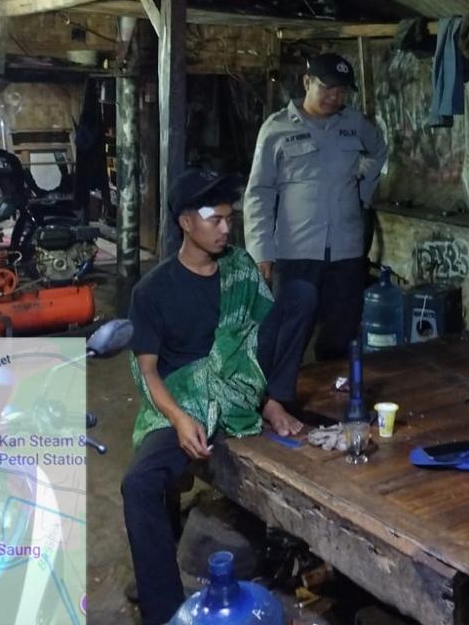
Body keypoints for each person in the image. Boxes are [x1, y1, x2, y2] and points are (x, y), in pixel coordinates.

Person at [122, 168, 300, 625]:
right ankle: (164, 612)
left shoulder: (239, 270)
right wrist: (179, 419)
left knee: (300, 295)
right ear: (186, 223)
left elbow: (261, 334)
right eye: (215, 220)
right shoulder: (152, 291)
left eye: (229, 219)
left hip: (238, 389)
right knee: (139, 484)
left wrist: (269, 399)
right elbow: (148, 371)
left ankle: (273, 402)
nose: (226, 229)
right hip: (185, 402)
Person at [244, 52, 387, 415]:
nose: (334, 97)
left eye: (342, 91)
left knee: (341, 330)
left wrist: (362, 191)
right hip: (295, 250)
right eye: (327, 88)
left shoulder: (355, 124)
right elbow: (259, 192)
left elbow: (379, 151)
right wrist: (261, 251)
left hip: (346, 249)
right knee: (288, 331)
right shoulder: (276, 129)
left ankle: (333, 402)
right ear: (307, 82)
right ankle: (272, 402)